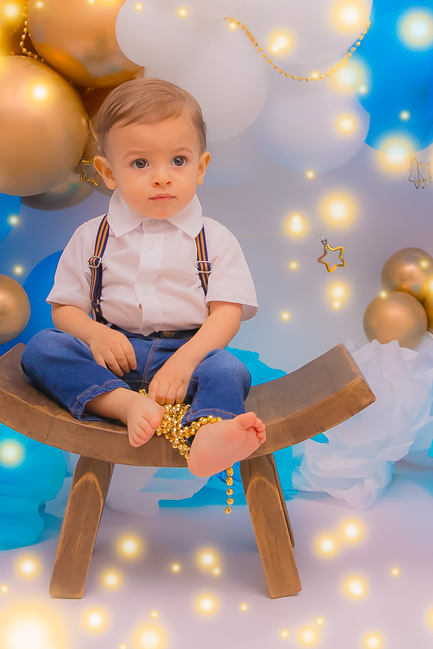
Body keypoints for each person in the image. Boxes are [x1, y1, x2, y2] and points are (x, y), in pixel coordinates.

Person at [21, 78, 265, 478]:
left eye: (178, 161)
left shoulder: (215, 239)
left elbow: (226, 314)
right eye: (140, 163)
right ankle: (122, 403)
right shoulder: (92, 237)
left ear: (201, 167)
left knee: (228, 369)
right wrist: (96, 336)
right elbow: (64, 309)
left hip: (187, 354)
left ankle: (209, 433)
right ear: (108, 172)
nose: (162, 177)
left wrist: (185, 361)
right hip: (114, 358)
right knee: (43, 349)